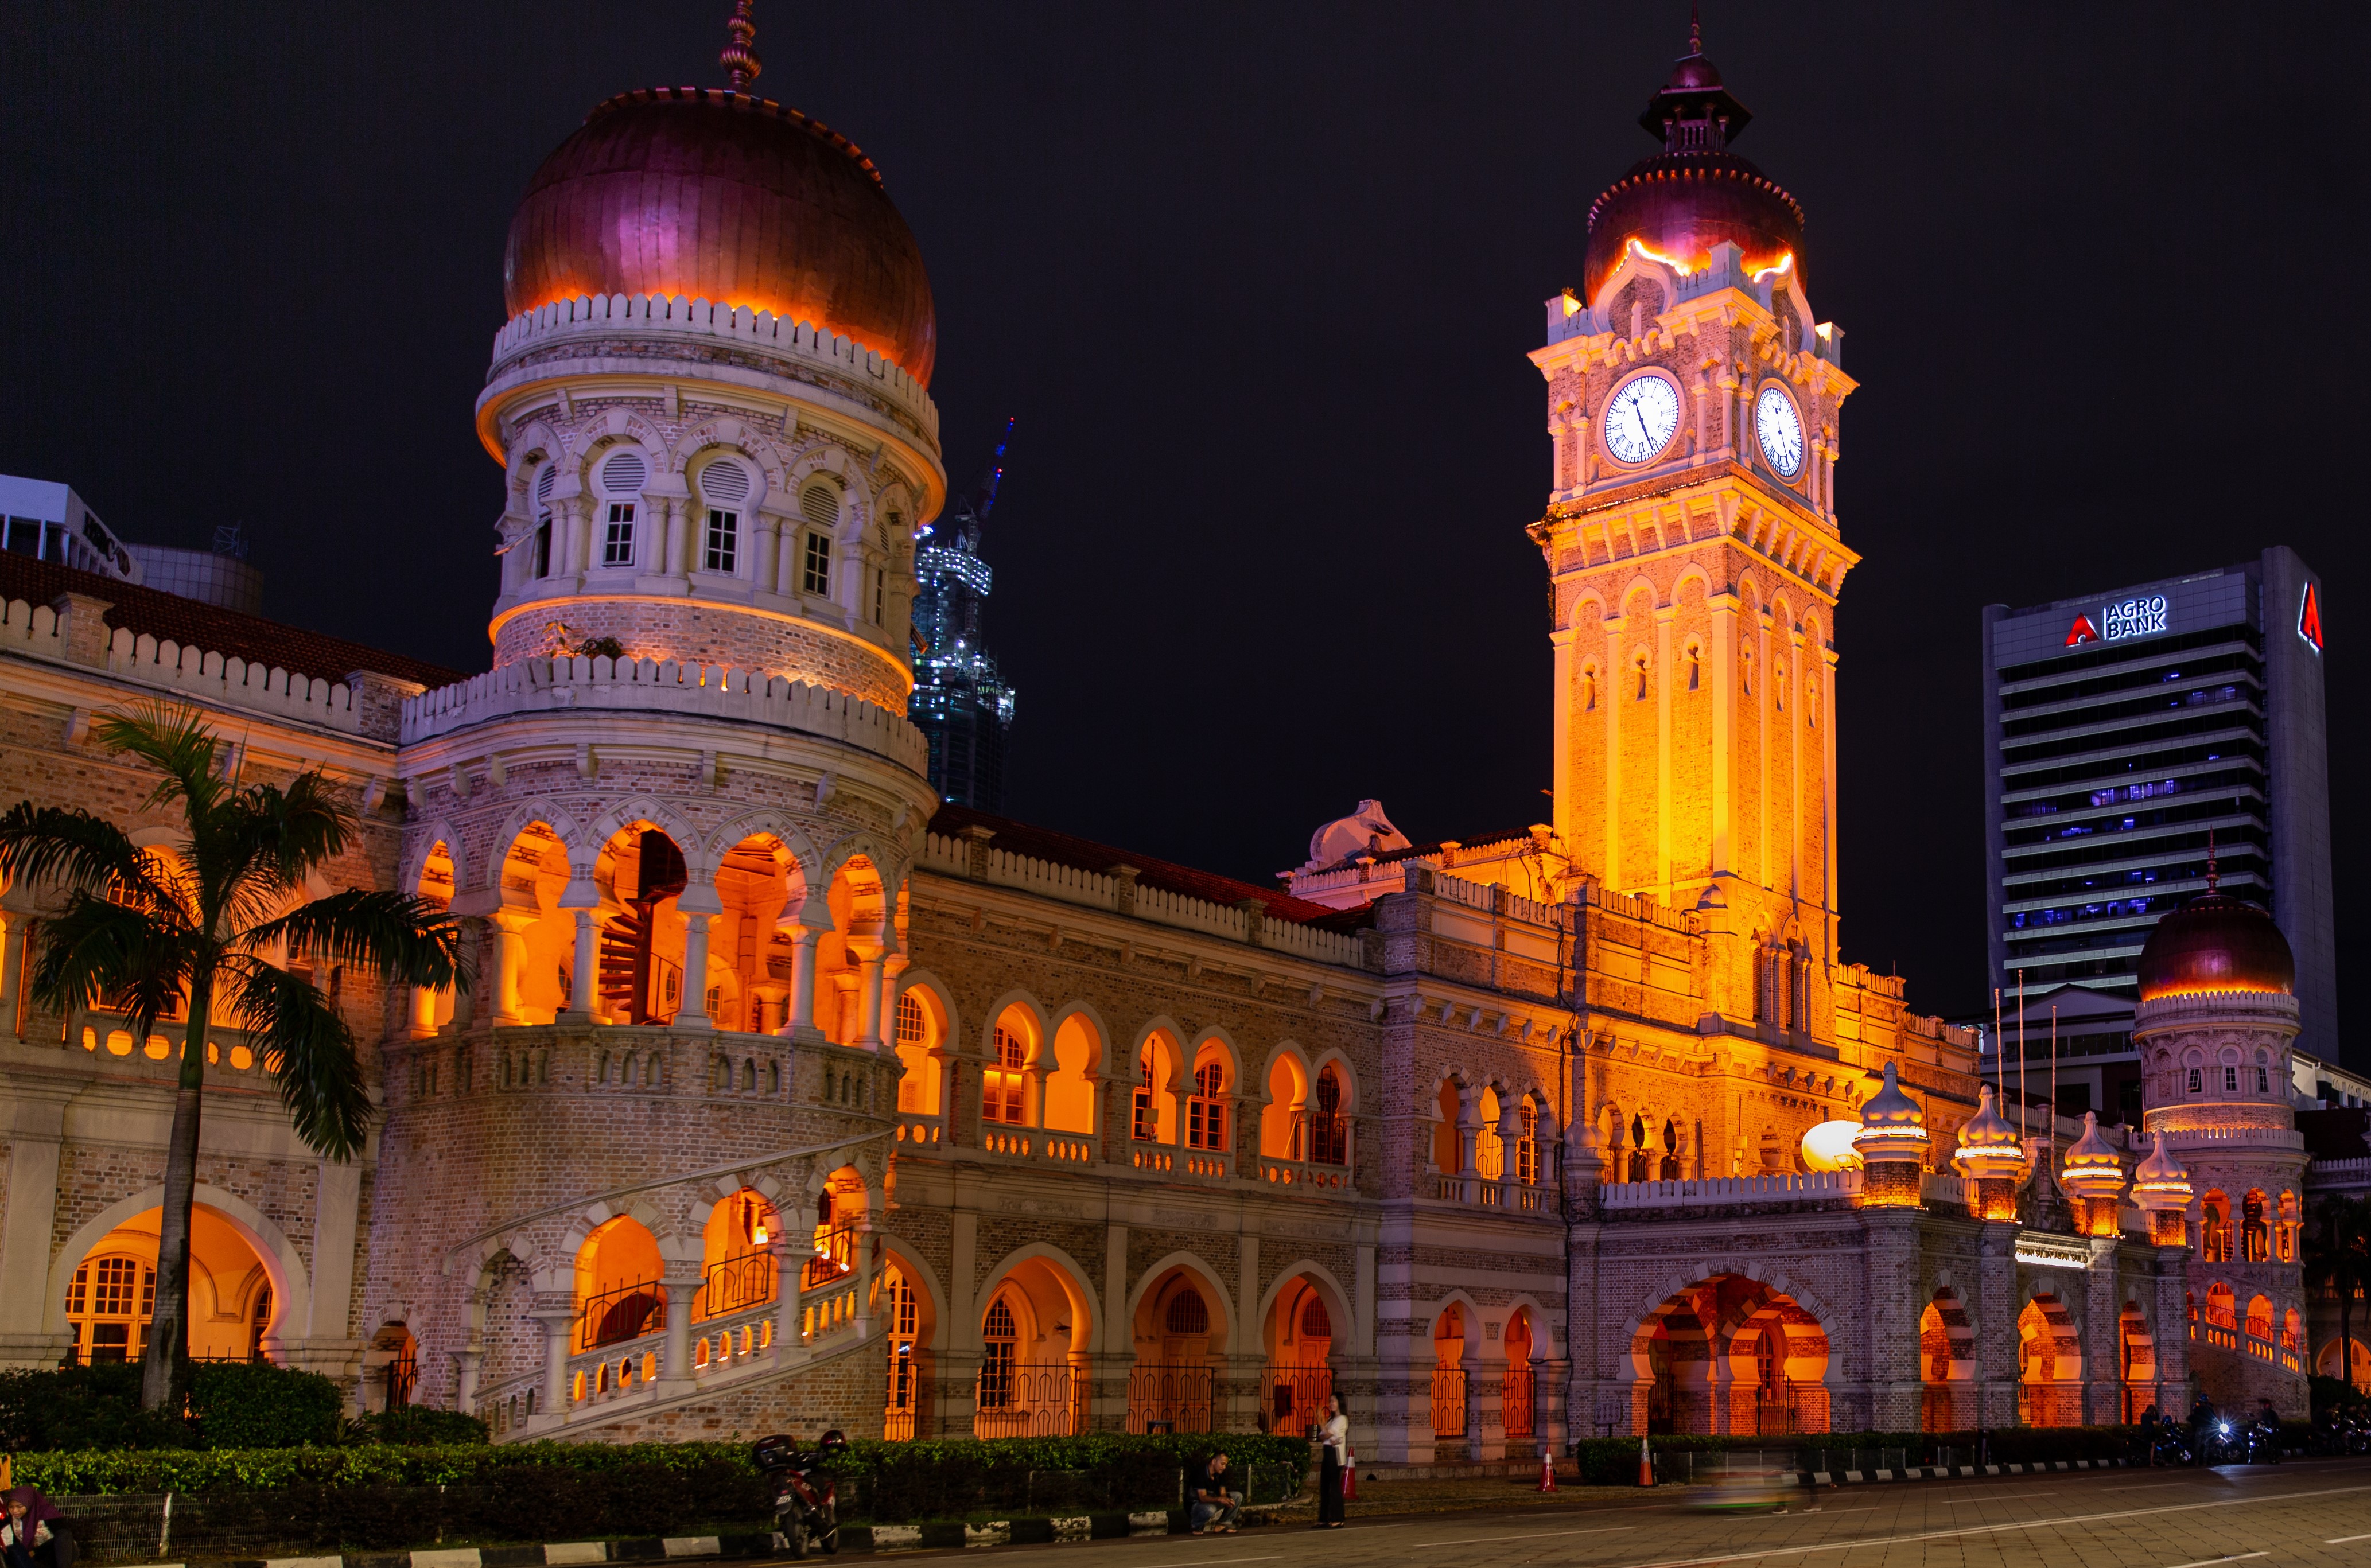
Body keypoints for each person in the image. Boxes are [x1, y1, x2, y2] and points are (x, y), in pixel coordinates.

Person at [0, 1488, 71, 1568]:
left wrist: (36, 1552)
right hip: (31, 1557)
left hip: (55, 1554)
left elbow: (64, 1539)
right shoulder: (13, 1517)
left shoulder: (49, 1514)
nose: (15, 1511)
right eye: (11, 1507)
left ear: (28, 1503)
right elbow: (2, 1519)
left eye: (19, 1507)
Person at [1316, 1392, 1348, 1529]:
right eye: (1330, 1401)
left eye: (1333, 1401)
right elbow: (1322, 1437)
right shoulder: (1332, 1420)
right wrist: (1325, 1426)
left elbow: (1327, 1434)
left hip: (1335, 1455)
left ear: (1340, 1403)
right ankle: (1324, 1518)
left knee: (1334, 1487)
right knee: (1324, 1487)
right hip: (1328, 1452)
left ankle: (1338, 1518)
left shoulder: (1342, 1419)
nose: (1331, 1404)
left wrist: (1320, 1420)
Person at [1190, 1452, 1241, 1535]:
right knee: (1210, 1509)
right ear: (1214, 1462)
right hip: (1196, 1505)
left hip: (1211, 1501)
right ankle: (1196, 1526)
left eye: (1226, 1465)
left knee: (1237, 1496)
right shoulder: (1200, 1473)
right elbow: (1202, 1497)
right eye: (1222, 1464)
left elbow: (1222, 1492)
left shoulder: (1220, 1473)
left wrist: (1226, 1500)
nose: (1224, 1467)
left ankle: (1222, 1524)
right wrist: (1220, 1499)